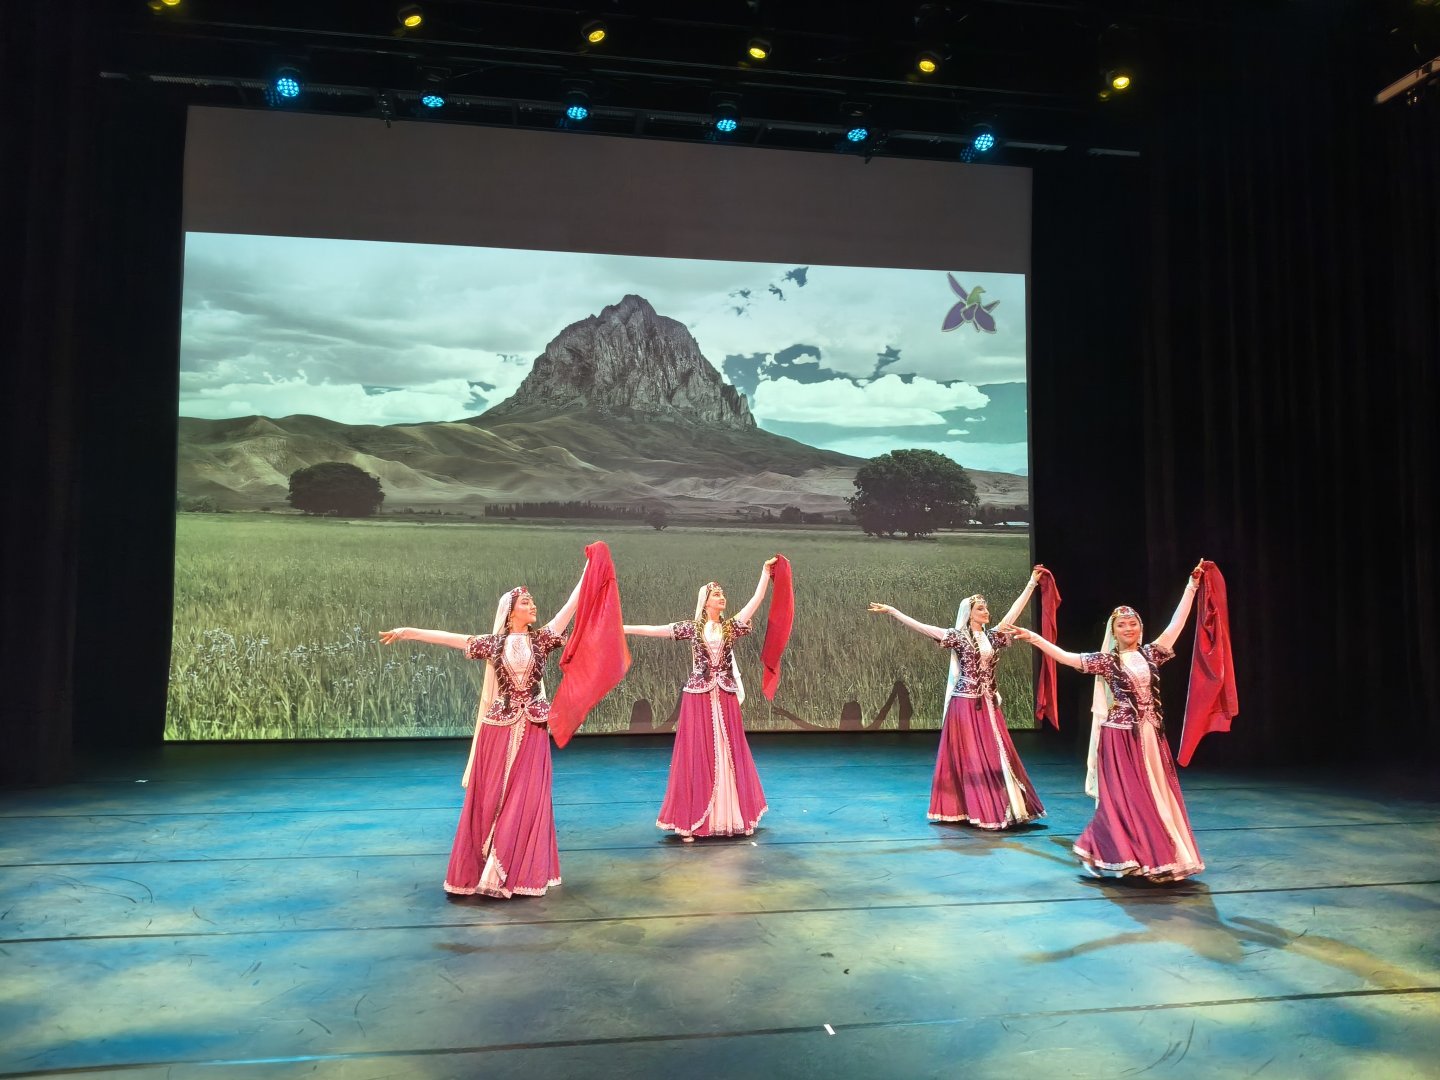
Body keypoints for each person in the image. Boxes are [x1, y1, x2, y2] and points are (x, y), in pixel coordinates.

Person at [380, 567, 585, 897]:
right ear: (510, 611)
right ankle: (488, 867)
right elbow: (450, 638)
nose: (533, 607)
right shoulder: (493, 643)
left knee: (528, 796)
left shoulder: (542, 639)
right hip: (499, 728)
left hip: (533, 725)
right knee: (492, 798)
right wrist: (408, 631)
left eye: (533, 603)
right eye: (527, 603)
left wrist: (591, 565)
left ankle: (511, 870)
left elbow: (571, 607)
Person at [1002, 562, 1206, 882]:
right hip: (1120, 737)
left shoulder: (1153, 654)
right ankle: (1107, 849)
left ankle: (1155, 857)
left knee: (1156, 794)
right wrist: (1035, 639)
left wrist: (1192, 586)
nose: (1129, 629)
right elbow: (1068, 658)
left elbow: (1177, 624)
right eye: (1122, 626)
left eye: (1133, 624)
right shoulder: (1107, 661)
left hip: (1152, 735)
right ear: (1113, 632)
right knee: (1128, 798)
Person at [868, 567, 1047, 829]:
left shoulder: (993, 636)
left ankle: (1002, 804)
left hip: (986, 703)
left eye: (986, 609)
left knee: (997, 752)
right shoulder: (956, 636)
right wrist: (894, 611)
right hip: (964, 703)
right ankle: (972, 807)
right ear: (969, 614)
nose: (986, 612)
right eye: (981, 609)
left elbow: (1014, 612)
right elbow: (922, 628)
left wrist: (1032, 583)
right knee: (971, 755)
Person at [622, 558, 779, 841]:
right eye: (716, 594)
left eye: (722, 594)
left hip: (726, 695)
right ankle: (693, 819)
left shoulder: (731, 627)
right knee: (698, 752)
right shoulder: (692, 628)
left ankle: (734, 815)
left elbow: (756, 601)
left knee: (731, 750)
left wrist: (765, 573)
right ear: (706, 601)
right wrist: (622, 628)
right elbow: (656, 630)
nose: (722, 597)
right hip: (699, 696)